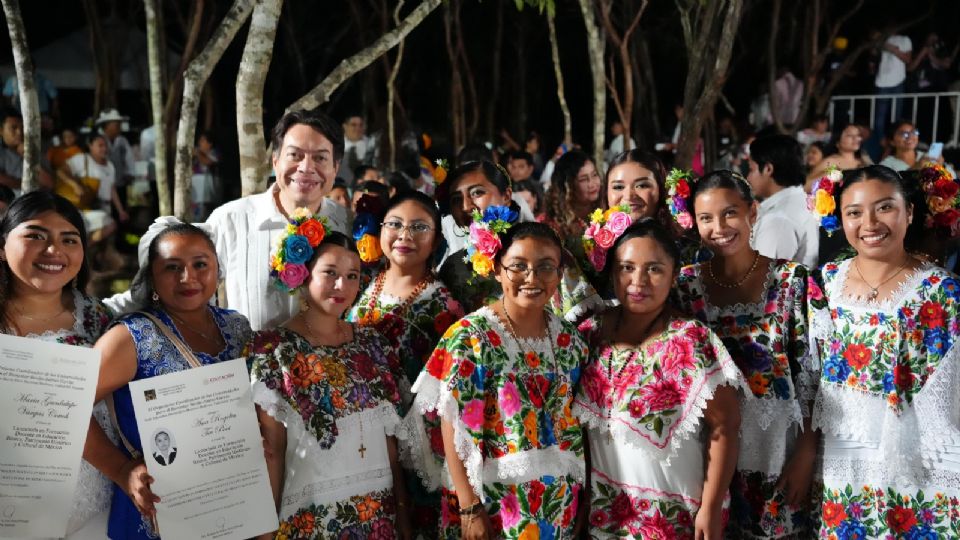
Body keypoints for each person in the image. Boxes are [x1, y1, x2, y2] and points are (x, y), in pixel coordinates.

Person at [673, 170, 828, 538]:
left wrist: (805, 454)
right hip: (708, 456)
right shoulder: (685, 286)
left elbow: (812, 375)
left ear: (752, 213)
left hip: (779, 453)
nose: (719, 227)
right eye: (706, 218)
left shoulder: (792, 281)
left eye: (730, 213)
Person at [411, 221, 588, 538]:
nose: (532, 278)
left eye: (546, 267)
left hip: (558, 502)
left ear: (560, 274)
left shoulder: (571, 341)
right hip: (493, 502)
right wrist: (468, 507)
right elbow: (452, 423)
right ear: (497, 270)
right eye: (518, 266)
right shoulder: (471, 336)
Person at [810, 165, 960, 538]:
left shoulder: (945, 291)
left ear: (909, 212)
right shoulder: (825, 283)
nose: (870, 223)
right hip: (841, 460)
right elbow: (808, 375)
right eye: (854, 212)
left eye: (885, 208)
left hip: (924, 465)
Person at [574, 218, 745, 538]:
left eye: (654, 269)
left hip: (676, 513)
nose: (638, 281)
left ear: (673, 276)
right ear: (613, 273)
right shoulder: (589, 333)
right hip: (608, 513)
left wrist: (710, 508)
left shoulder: (690, 340)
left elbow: (726, 426)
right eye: (627, 267)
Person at [103, 110, 349, 331]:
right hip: (253, 373)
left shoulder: (347, 224)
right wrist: (87, 315)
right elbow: (166, 283)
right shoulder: (233, 219)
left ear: (336, 168)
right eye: (295, 155)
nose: (306, 167)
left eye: (320, 158)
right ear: (275, 160)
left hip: (331, 372)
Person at [84, 220, 251, 539]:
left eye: (200, 264)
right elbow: (66, 408)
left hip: (230, 499)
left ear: (218, 268)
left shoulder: (237, 327)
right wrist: (121, 470)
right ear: (152, 279)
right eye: (172, 267)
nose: (188, 277)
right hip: (158, 508)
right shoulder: (130, 338)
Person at [248, 225, 411, 539]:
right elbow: (272, 451)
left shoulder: (372, 344)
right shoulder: (275, 350)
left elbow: (390, 446)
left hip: (378, 517)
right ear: (302, 274)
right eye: (330, 273)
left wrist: (402, 519)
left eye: (352, 276)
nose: (342, 286)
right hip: (312, 521)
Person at [346, 190, 463, 537]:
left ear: (436, 240)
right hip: (361, 432)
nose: (405, 235)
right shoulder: (363, 284)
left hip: (415, 446)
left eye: (419, 227)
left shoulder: (443, 306)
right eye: (395, 224)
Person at [0, 191, 114, 538]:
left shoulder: (100, 319)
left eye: (69, 239)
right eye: (35, 235)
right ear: (2, 246)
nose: (54, 250)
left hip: (96, 501)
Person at [438, 160, 601, 320]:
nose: (465, 206)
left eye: (477, 193)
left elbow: (586, 325)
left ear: (507, 195)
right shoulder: (454, 269)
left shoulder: (548, 251)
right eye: (456, 199)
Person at [601, 149, 709, 271]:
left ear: (661, 190)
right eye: (618, 187)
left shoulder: (691, 254)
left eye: (642, 185)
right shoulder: (595, 253)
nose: (629, 196)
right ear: (606, 193)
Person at [747, 134, 820, 267]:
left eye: (751, 169)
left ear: (768, 169)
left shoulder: (778, 219)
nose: (748, 177)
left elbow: (762, 279)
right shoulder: (799, 201)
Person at [542, 149, 602, 242]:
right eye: (583, 179)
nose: (592, 184)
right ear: (567, 186)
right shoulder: (553, 223)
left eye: (594, 175)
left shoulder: (607, 208)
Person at [806, 122, 866, 189]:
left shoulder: (863, 160)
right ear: (837, 142)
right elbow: (806, 186)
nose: (856, 138)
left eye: (858, 135)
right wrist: (829, 176)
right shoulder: (831, 161)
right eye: (849, 135)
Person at [95, 109, 136, 187]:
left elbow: (129, 159)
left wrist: (130, 173)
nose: (119, 127)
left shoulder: (122, 140)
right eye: (116, 125)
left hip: (120, 182)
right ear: (106, 126)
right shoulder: (98, 141)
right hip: (104, 184)